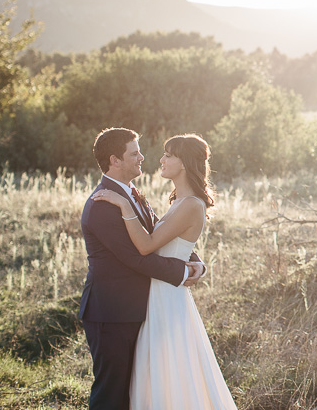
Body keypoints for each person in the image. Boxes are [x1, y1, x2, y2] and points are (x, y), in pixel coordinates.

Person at [91, 132, 237, 409]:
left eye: (168, 155)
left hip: (166, 299)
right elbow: (167, 242)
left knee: (170, 372)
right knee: (155, 375)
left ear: (184, 162)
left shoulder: (188, 203)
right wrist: (195, 264)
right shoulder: (177, 202)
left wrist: (124, 204)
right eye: (164, 154)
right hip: (143, 301)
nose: (159, 159)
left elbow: (147, 245)